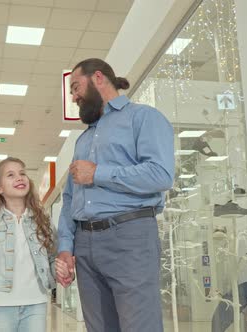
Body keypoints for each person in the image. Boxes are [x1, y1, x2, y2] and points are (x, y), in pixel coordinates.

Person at [55, 58, 175, 332]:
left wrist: (98, 173)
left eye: (75, 87)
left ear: (98, 77)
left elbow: (160, 175)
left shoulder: (143, 118)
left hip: (129, 236)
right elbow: (71, 199)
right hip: (85, 246)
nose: (73, 97)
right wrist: (65, 246)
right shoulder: (83, 139)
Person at [0, 157, 57, 332]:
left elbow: (53, 259)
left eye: (22, 173)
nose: (20, 178)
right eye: (11, 175)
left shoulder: (43, 221)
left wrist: (62, 269)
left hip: (36, 303)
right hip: (0, 305)